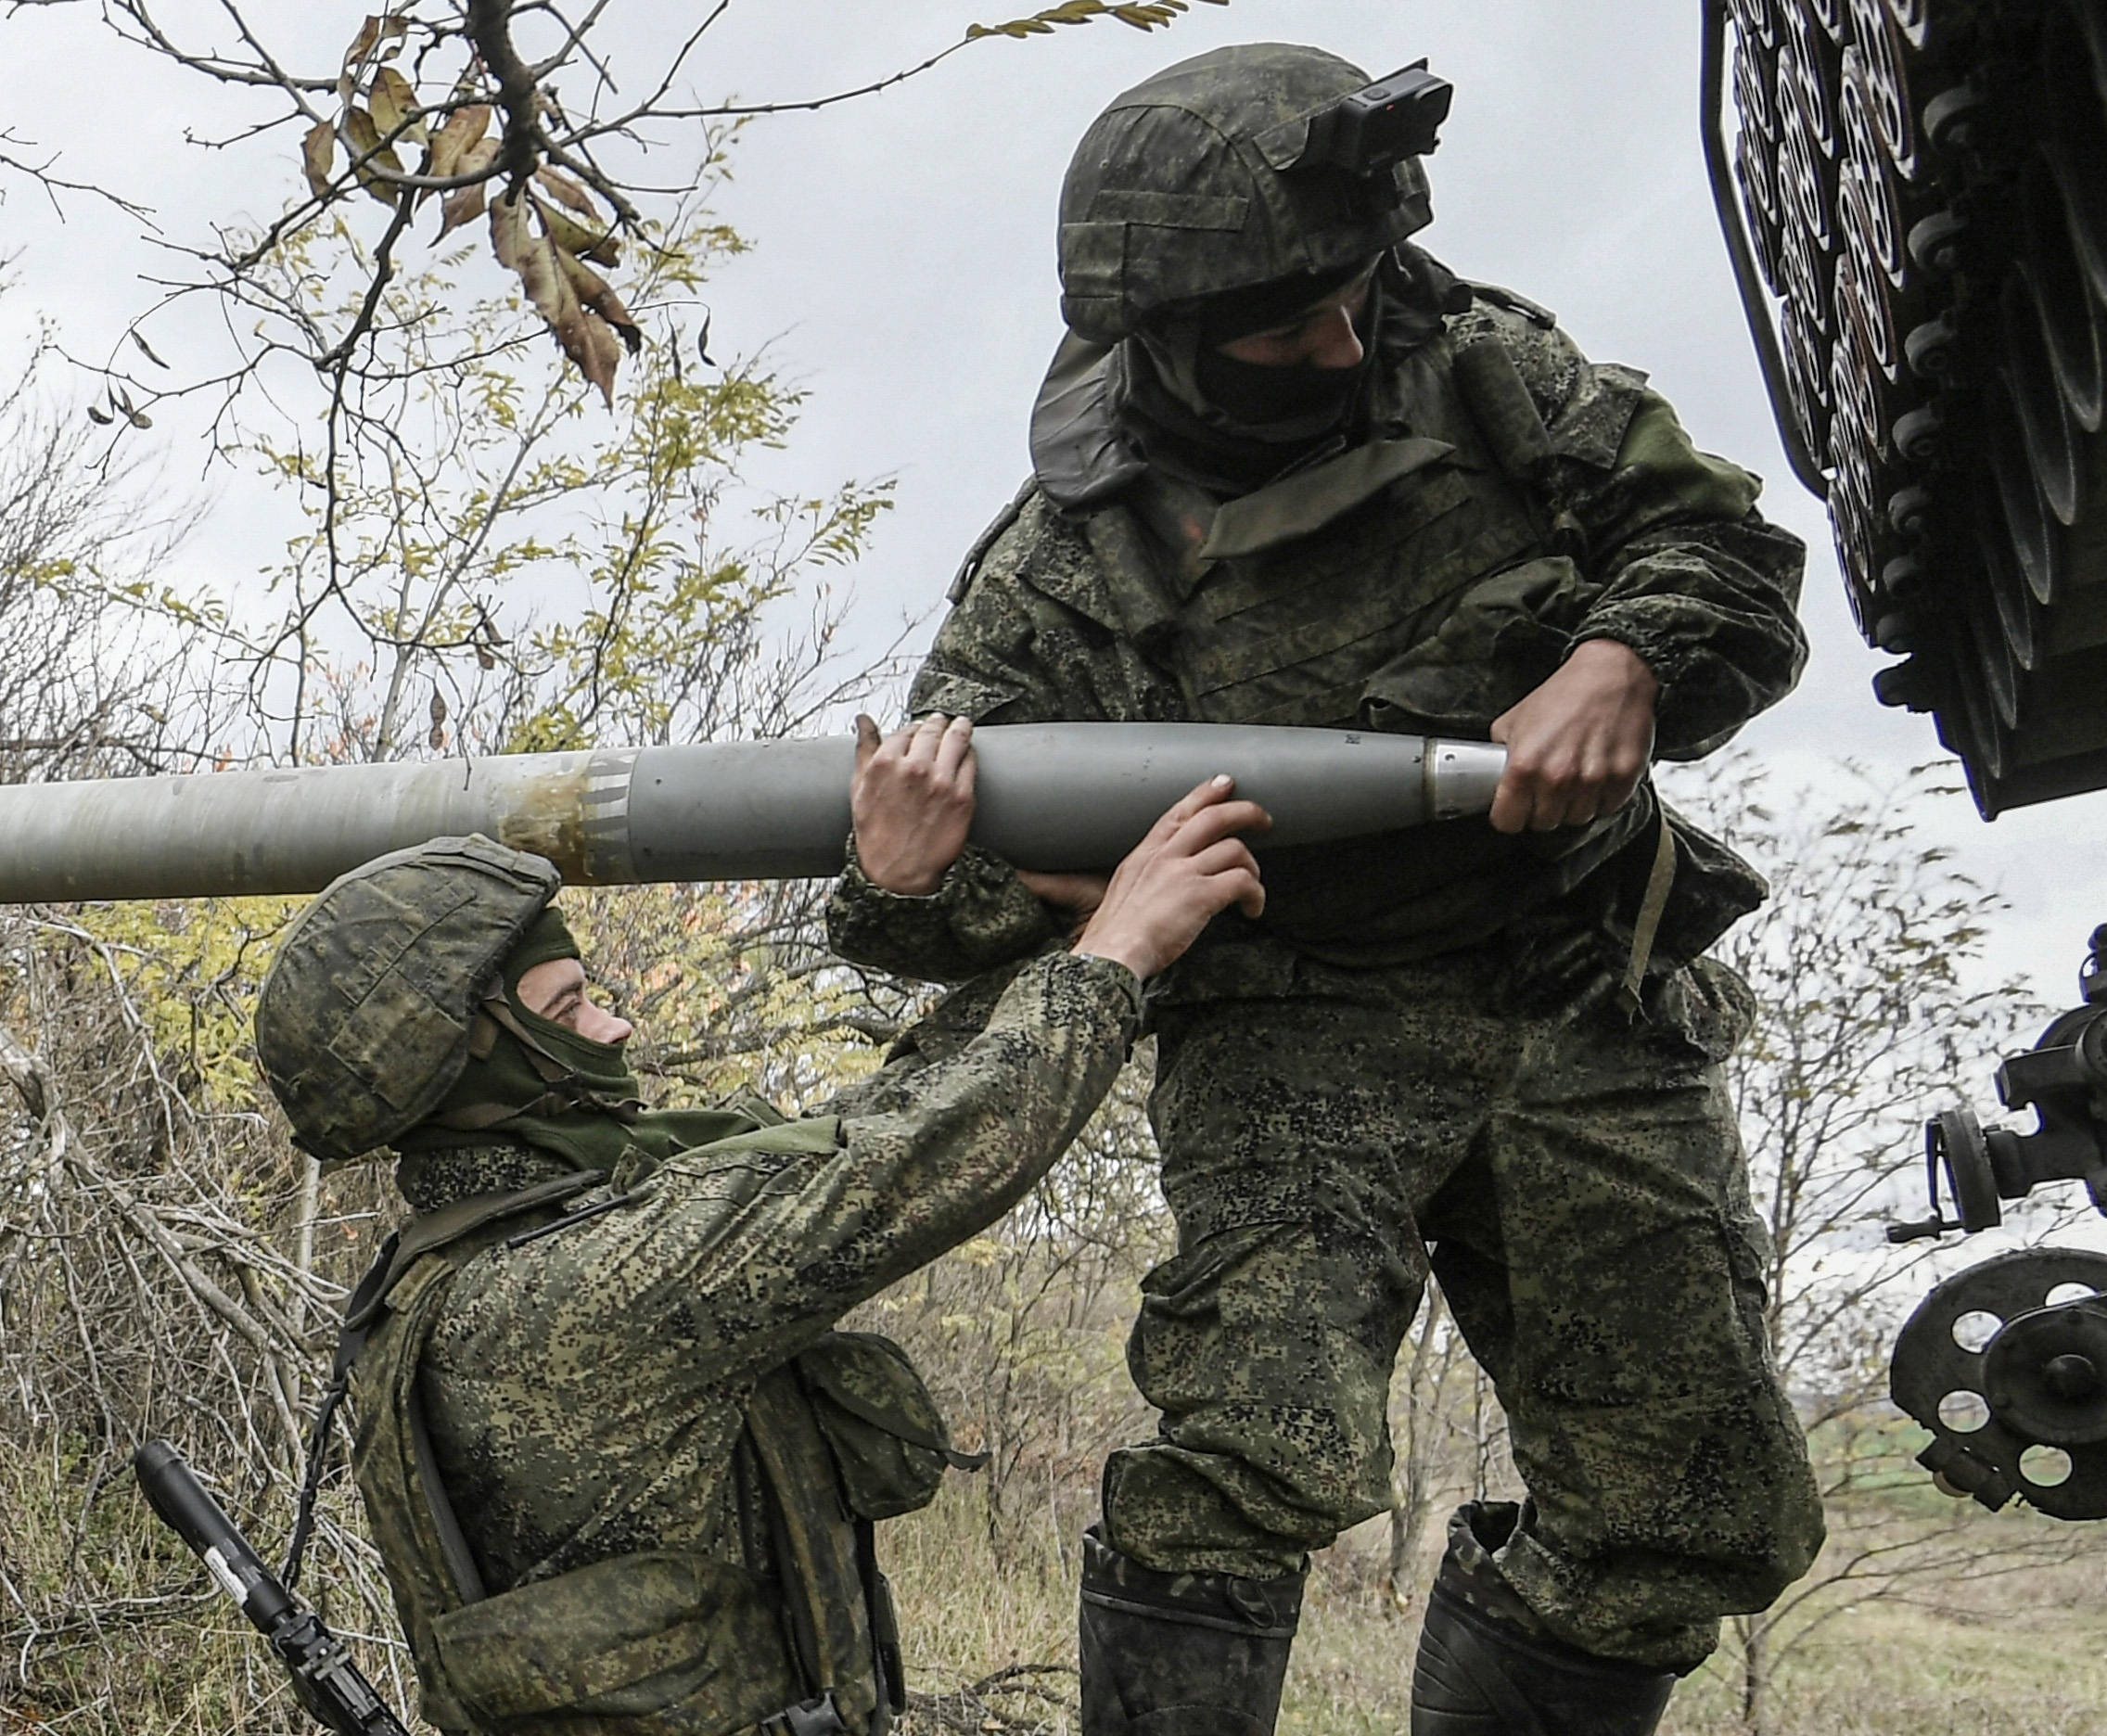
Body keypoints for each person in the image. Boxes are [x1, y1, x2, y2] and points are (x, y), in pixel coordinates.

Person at [824, 42, 1826, 1736]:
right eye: (1290, 323)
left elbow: (1721, 552)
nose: (1343, 342)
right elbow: (929, 896)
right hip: (1298, 1025)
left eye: (1353, 295)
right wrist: (937, 883)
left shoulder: (1484, 366)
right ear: (1174, 335)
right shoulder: (1065, 570)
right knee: (1242, 1461)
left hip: (1574, 982)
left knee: (1687, 1512)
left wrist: (1625, 654)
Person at [249, 717, 1267, 1736]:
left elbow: (871, 1122)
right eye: (567, 1015)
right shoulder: (558, 1291)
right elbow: (911, 1166)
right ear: (475, 1066)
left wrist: (995, 923)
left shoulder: (505, 1242)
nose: (616, 1029)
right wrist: (1114, 954)